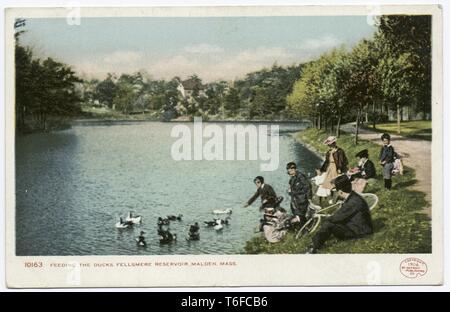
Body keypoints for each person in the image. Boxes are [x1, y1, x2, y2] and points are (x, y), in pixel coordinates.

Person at [306, 175, 373, 254]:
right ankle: (315, 243)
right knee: (330, 223)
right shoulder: (354, 197)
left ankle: (314, 247)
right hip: (358, 227)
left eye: (336, 190)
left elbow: (336, 218)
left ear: (340, 191)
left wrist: (326, 217)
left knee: (328, 224)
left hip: (359, 232)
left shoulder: (352, 202)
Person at [286, 162, 311, 226]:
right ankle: (304, 228)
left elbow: (307, 187)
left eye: (292, 169)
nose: (290, 171)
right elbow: (291, 188)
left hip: (301, 200)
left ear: (295, 169)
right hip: (295, 200)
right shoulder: (292, 178)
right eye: (289, 170)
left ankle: (304, 229)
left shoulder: (301, 176)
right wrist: (289, 191)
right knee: (297, 215)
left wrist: (309, 198)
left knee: (300, 215)